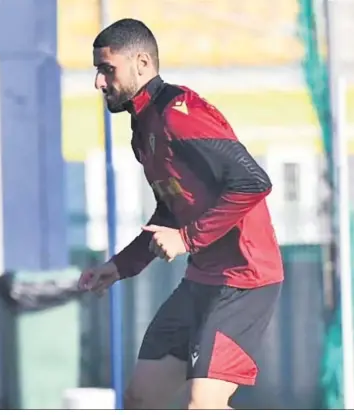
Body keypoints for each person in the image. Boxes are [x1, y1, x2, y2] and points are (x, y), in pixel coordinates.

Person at [78, 19, 284, 409]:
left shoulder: (178, 113)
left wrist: (187, 239)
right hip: (201, 280)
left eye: (107, 69)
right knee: (141, 398)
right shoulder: (143, 128)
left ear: (141, 62)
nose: (99, 82)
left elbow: (254, 181)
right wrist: (120, 266)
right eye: (97, 70)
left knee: (203, 404)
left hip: (244, 279)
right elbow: (170, 210)